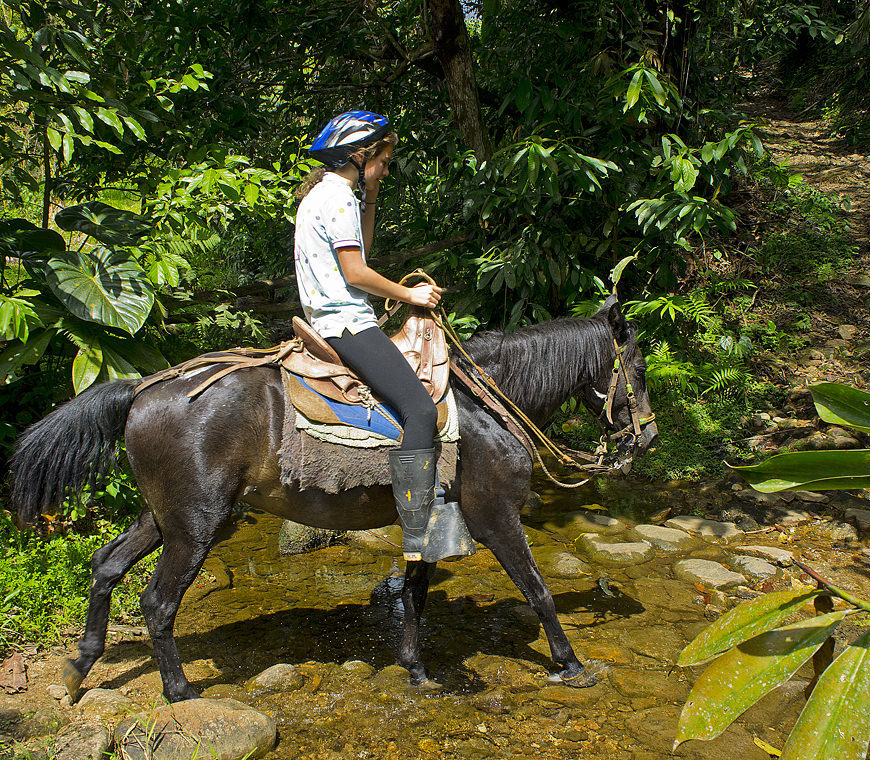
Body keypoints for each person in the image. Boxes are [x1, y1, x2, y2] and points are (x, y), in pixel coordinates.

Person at [293, 110, 474, 563]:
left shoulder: (330, 195)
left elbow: (361, 252)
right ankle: (419, 532)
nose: (387, 170)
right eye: (384, 161)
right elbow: (357, 273)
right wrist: (409, 293)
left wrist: (371, 196)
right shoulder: (336, 198)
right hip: (347, 323)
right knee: (418, 408)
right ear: (360, 154)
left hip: (331, 318)